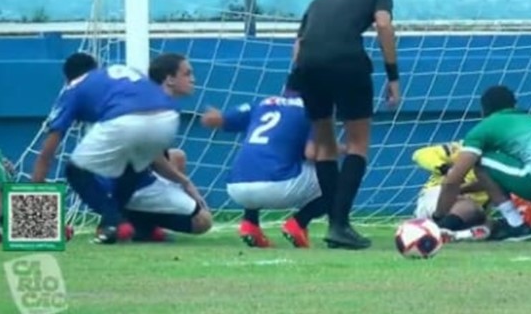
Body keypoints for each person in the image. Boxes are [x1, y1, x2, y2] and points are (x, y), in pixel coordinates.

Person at [292, 0, 399, 249]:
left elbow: (299, 43)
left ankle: (334, 225)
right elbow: (384, 25)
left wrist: (296, 79)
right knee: (357, 144)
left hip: (308, 65)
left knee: (325, 145)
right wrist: (393, 75)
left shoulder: (319, 0)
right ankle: (340, 224)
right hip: (347, 62)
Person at [32, 52, 189, 243]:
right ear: (96, 68)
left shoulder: (74, 88)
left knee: (75, 170)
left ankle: (114, 221)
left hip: (125, 120)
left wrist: (35, 196)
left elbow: (48, 152)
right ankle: (124, 225)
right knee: (130, 166)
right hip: (169, 117)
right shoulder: (114, 75)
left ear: (67, 78)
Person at [434, 85, 531, 241]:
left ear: (483, 110)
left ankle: (516, 225)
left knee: (480, 160)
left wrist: (438, 218)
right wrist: (465, 189)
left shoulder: (484, 128)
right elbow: (499, 178)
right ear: (514, 105)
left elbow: (454, 178)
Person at [201, 73, 325, 248]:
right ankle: (299, 223)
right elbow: (312, 153)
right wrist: (344, 149)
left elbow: (220, 120)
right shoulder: (313, 110)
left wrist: (212, 116)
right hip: (278, 187)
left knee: (259, 158)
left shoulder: (262, 104)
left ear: (285, 88)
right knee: (335, 177)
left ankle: (250, 224)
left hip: (236, 187)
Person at [412, 141, 492, 241]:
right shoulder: (463, 149)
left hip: (468, 214)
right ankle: (433, 232)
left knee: (486, 222)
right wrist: (445, 169)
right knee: (467, 205)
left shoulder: (502, 160)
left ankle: (453, 234)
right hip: (437, 195)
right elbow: (420, 154)